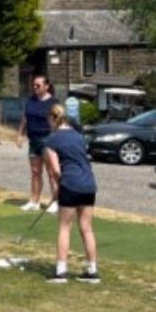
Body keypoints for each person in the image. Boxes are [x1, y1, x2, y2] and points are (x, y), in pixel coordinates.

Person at [43, 104, 99, 283]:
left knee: (65, 227)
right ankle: (92, 271)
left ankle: (61, 271)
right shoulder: (78, 136)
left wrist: (58, 188)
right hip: (89, 185)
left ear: (53, 119)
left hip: (71, 184)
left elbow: (56, 170)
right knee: (87, 228)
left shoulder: (52, 140)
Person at [17, 75, 59, 213]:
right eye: (34, 85)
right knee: (35, 172)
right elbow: (25, 117)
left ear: (46, 86)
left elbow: (57, 122)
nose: (35, 88)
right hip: (33, 139)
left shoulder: (53, 102)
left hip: (47, 139)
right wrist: (20, 134)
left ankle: (56, 201)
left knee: (51, 172)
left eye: (38, 85)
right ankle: (34, 201)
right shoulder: (30, 101)